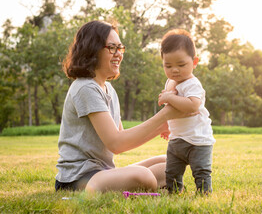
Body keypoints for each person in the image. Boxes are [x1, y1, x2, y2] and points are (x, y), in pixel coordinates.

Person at [55, 20, 188, 193]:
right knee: (144, 176)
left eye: (120, 48)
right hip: (78, 178)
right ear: (93, 49)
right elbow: (116, 144)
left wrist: (162, 126)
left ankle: (147, 183)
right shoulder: (85, 87)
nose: (118, 54)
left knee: (168, 163)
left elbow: (122, 140)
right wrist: (165, 116)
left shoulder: (108, 89)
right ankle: (146, 185)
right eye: (112, 48)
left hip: (103, 172)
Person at [158, 29, 216, 194]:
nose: (174, 70)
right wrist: (166, 126)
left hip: (197, 140)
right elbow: (172, 110)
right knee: (171, 171)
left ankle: (204, 192)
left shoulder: (192, 84)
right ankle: (174, 192)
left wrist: (169, 97)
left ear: (194, 62)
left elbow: (192, 105)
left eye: (181, 65)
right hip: (177, 139)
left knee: (201, 170)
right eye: (168, 65)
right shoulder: (170, 82)